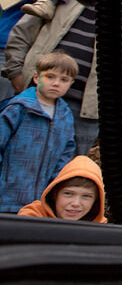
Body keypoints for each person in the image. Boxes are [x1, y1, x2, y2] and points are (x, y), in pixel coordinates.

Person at [3, 0, 100, 155]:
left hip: (85, 111)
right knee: (18, 153)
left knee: (66, 171)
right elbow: (22, 32)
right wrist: (16, 72)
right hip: (36, 95)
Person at [0, 50, 76, 213]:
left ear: (70, 83)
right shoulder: (18, 108)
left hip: (40, 201)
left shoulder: (65, 115)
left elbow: (66, 152)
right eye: (50, 77)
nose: (56, 83)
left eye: (64, 80)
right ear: (36, 77)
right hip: (6, 196)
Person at [17, 155, 106, 222]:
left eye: (86, 196)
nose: (76, 203)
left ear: (96, 200)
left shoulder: (100, 227)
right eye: (68, 194)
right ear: (54, 194)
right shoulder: (32, 216)